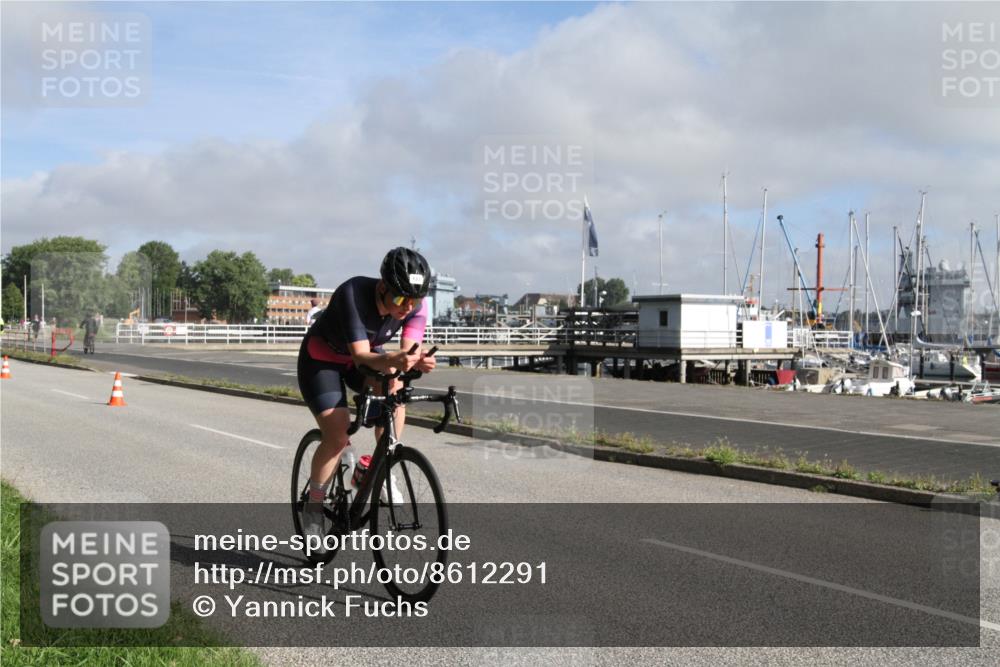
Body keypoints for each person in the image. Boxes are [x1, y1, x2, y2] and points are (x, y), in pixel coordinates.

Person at [297, 247, 436, 541]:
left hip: (362, 360)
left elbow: (407, 353)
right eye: (400, 298)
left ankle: (380, 468)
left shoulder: (414, 306)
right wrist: (395, 360)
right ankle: (314, 506)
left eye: (415, 300)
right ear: (382, 286)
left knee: (394, 384)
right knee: (336, 436)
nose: (407, 307)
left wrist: (416, 361)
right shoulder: (354, 293)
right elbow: (362, 357)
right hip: (321, 360)